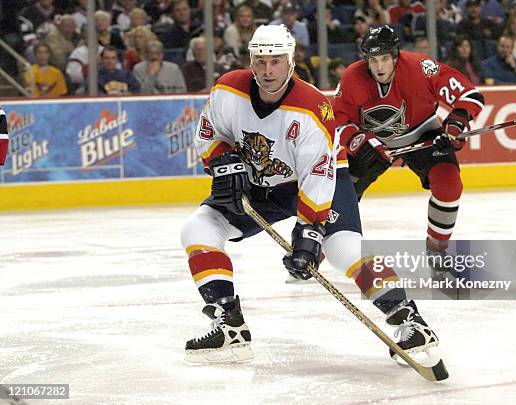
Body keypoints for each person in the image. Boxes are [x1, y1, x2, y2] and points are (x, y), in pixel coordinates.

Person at [180, 24, 443, 368]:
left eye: (276, 61)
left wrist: (309, 233)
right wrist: (221, 161)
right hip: (259, 185)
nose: (267, 70)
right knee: (198, 230)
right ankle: (229, 324)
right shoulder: (228, 89)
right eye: (260, 61)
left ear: (290, 62)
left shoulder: (312, 109)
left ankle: (410, 320)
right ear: (251, 61)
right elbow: (208, 131)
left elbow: (317, 176)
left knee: (341, 249)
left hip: (321, 181)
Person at [333, 25, 484, 262]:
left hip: (422, 133)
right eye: (373, 60)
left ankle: (436, 252)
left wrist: (455, 124)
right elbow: (338, 120)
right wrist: (360, 142)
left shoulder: (421, 68)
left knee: (449, 184)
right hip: (372, 142)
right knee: (340, 196)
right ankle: (312, 250)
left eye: (384, 59)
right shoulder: (353, 77)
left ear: (395, 56)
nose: (379, 67)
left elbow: (469, 95)